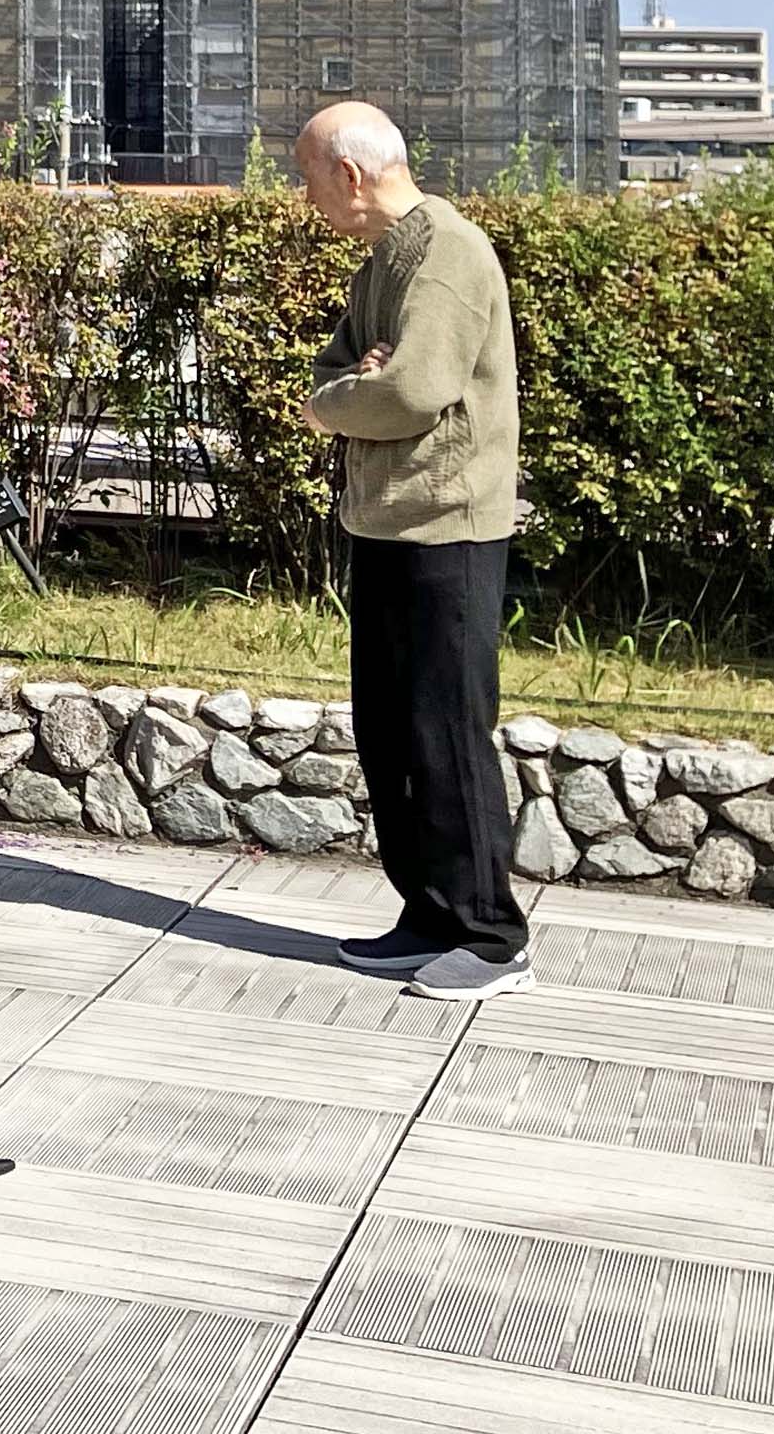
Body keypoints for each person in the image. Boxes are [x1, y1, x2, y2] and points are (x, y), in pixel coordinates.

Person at [293, 101, 530, 1000]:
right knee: (391, 730)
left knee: (445, 733)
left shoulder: (451, 251)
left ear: (350, 176)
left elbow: (407, 392)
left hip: (449, 527)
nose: (305, 194)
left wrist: (344, 397)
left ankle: (491, 933)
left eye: (310, 176)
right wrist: (357, 382)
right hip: (388, 522)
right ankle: (428, 915)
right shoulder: (383, 262)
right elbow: (344, 369)